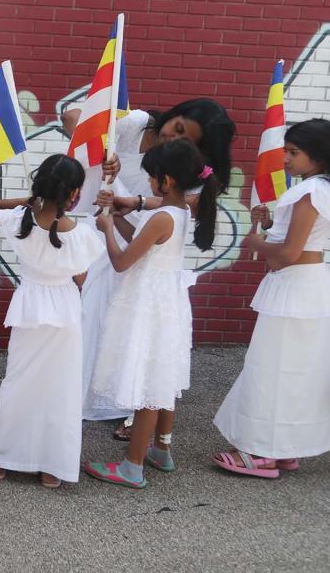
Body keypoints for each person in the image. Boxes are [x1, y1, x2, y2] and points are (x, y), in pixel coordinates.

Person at [64, 99, 236, 435]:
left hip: (136, 241)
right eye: (178, 127)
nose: (174, 138)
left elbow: (178, 205)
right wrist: (103, 152)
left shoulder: (177, 194)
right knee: (93, 318)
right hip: (108, 227)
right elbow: (72, 117)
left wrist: (125, 197)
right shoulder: (138, 123)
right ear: (174, 115)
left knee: (128, 331)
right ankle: (100, 398)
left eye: (187, 140)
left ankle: (129, 407)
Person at [212, 119, 330, 478]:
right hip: (302, 288)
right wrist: (267, 226)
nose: (285, 159)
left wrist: (255, 241)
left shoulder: (311, 192)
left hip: (296, 286)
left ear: (318, 156)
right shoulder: (319, 189)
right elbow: (295, 244)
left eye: (293, 152)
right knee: (293, 371)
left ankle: (264, 453)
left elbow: (289, 252)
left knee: (274, 370)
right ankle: (283, 449)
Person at [83, 139, 219, 488]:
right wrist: (117, 216)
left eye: (151, 178)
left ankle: (132, 465)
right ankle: (162, 448)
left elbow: (122, 262)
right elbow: (142, 240)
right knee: (162, 375)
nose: (148, 184)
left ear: (166, 180)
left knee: (146, 384)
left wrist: (107, 228)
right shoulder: (180, 212)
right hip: (165, 302)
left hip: (147, 304)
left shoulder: (161, 216)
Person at [0, 154, 103, 488]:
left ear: (39, 186)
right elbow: (80, 279)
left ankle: (1, 461)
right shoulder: (84, 235)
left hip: (29, 305)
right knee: (60, 389)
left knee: (18, 383)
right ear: (74, 193)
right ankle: (51, 467)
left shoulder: (19, 221)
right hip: (64, 308)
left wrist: (26, 202)